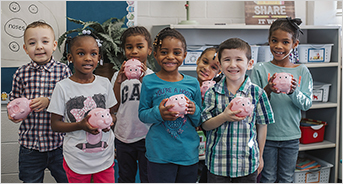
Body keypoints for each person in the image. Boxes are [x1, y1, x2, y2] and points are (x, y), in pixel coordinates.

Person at [47, 30, 117, 183]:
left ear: (99, 58)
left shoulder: (104, 83)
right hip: (77, 158)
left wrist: (109, 122)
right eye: (81, 53)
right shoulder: (62, 87)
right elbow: (55, 125)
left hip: (104, 157)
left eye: (93, 54)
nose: (88, 58)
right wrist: (80, 125)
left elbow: (113, 114)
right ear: (70, 58)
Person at [201, 38, 275, 183]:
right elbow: (205, 124)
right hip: (218, 164)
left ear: (250, 64)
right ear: (220, 65)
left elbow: (262, 126)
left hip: (247, 164)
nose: (233, 65)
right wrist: (224, 116)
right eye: (227, 60)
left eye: (239, 59)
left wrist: (259, 156)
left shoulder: (257, 93)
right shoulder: (212, 93)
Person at [7, 21, 71, 183]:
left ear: (54, 45)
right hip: (30, 146)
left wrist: (49, 101)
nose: (39, 47)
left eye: (45, 41)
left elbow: (70, 101)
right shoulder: (21, 73)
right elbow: (14, 101)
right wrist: (13, 115)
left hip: (59, 144)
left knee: (68, 180)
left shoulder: (63, 70)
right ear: (25, 48)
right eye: (32, 43)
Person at [250, 17, 313, 183]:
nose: (278, 46)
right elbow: (252, 103)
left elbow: (306, 103)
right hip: (266, 137)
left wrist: (293, 91)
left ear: (295, 44)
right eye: (274, 41)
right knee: (267, 178)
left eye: (285, 42)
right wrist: (268, 90)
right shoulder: (260, 68)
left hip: (291, 137)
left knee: (286, 178)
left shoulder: (302, 71)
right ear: (268, 41)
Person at [138, 27, 202, 183]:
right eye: (164, 52)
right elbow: (143, 114)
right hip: (159, 154)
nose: (170, 57)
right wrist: (158, 113)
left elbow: (199, 120)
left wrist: (194, 110)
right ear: (155, 54)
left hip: (187, 154)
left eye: (177, 52)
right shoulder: (149, 81)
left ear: (184, 55)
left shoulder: (192, 83)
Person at [110, 26, 153, 183]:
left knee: (147, 177)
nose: (134, 51)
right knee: (125, 177)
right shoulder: (117, 75)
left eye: (139, 47)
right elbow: (113, 106)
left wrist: (144, 80)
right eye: (129, 47)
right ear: (124, 51)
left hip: (146, 136)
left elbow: (153, 105)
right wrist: (119, 81)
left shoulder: (152, 77)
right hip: (124, 136)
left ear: (149, 50)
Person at [195, 47, 220, 183]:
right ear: (198, 60)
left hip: (210, 151)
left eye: (213, 67)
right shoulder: (187, 85)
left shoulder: (218, 92)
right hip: (190, 149)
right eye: (204, 62)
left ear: (219, 71)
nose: (206, 68)